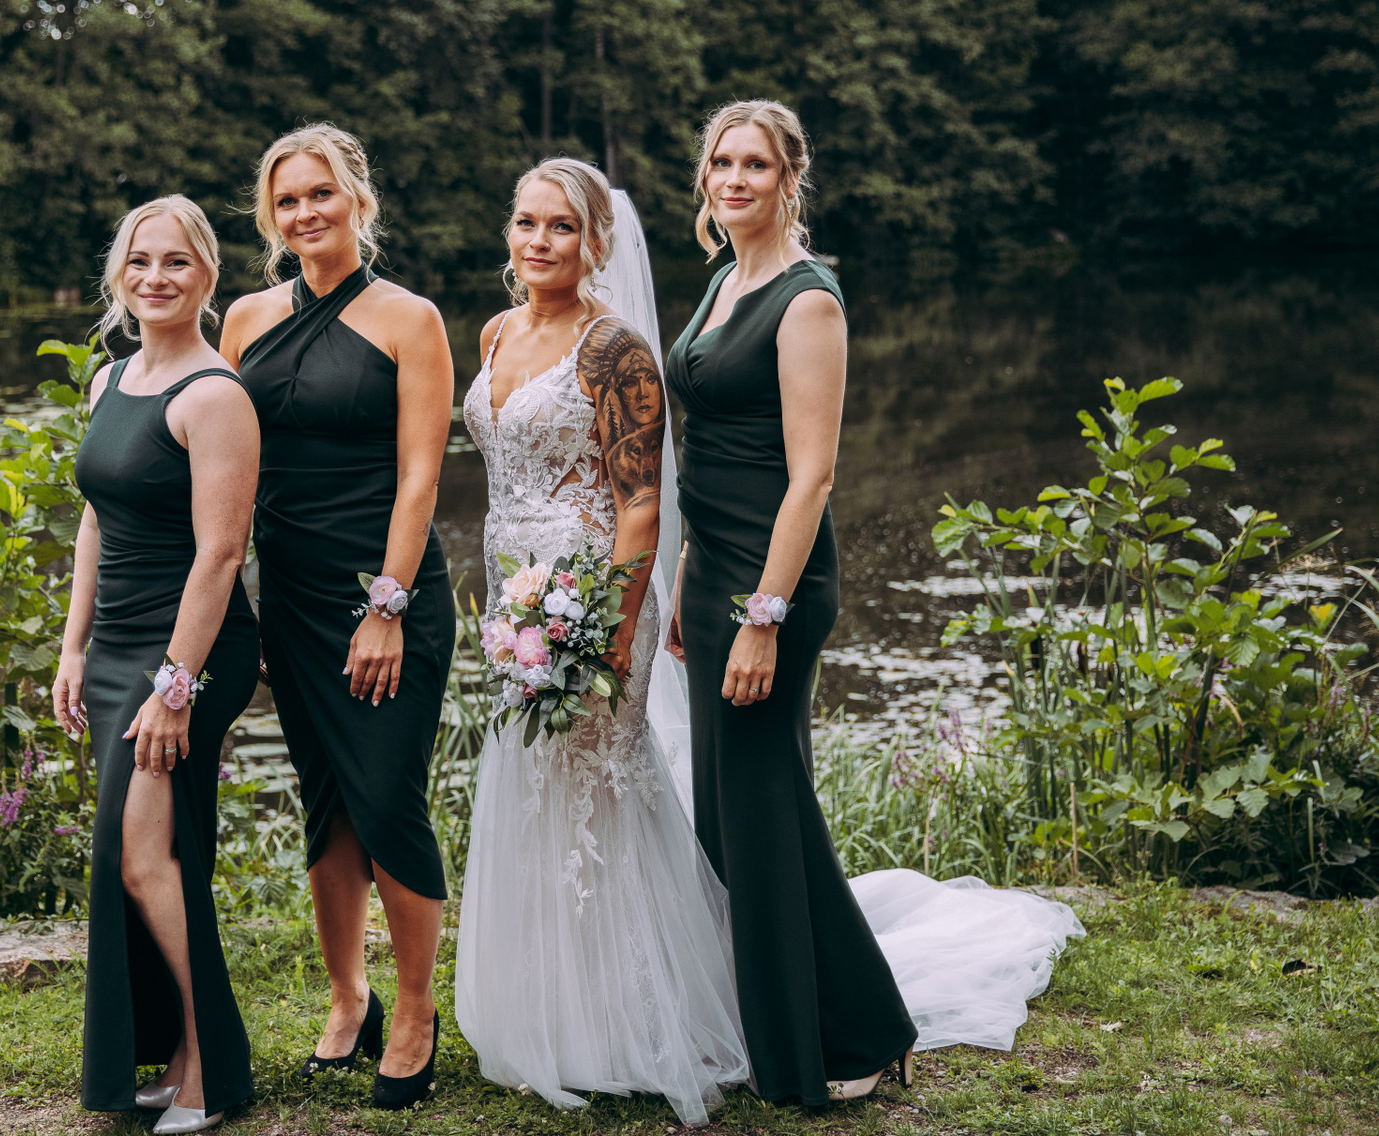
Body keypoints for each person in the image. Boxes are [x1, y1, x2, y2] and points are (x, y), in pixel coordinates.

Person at [664, 100, 1082, 1105]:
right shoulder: (724, 277)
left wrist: (762, 615)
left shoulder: (807, 301)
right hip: (714, 572)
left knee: (762, 812)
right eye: (722, 162)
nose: (734, 179)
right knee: (731, 815)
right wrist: (684, 579)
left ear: (789, 178)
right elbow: (705, 453)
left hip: (775, 583)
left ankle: (858, 1030)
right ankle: (794, 1018)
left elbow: (811, 476)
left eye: (756, 164)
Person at [454, 158, 749, 1125]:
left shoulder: (615, 349)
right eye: (526, 222)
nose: (539, 241)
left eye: (561, 227)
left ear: (595, 243)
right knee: (533, 790)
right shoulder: (496, 332)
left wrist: (613, 638)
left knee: (596, 797)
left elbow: (641, 504)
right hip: (517, 601)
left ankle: (636, 1022)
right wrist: (518, 610)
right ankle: (554, 1014)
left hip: (591, 601)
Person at [220, 124, 455, 1111]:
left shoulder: (410, 319)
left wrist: (387, 606)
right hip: (292, 598)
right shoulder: (243, 320)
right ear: (270, 217)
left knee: (387, 793)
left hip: (386, 595)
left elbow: (420, 477)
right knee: (327, 801)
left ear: (358, 198)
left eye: (321, 193)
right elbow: (226, 476)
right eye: (288, 200)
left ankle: (416, 1008)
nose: (305, 212)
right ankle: (349, 997)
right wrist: (232, 610)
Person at [53, 196, 261, 1134]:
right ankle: (178, 1053)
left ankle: (210, 1068)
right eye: (140, 261)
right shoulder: (112, 379)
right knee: (149, 853)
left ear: (207, 275)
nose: (156, 278)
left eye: (177, 262)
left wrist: (175, 688)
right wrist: (73, 645)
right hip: (117, 646)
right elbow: (97, 519)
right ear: (119, 274)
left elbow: (220, 556)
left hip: (192, 650)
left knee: (144, 857)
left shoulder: (215, 397)